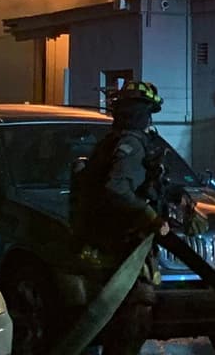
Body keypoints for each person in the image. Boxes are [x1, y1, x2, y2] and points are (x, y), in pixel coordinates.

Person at [69, 81, 171, 355]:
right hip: (124, 248)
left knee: (115, 316)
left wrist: (178, 198)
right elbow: (117, 188)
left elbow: (149, 183)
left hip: (110, 246)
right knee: (133, 316)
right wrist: (148, 215)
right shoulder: (131, 145)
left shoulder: (112, 143)